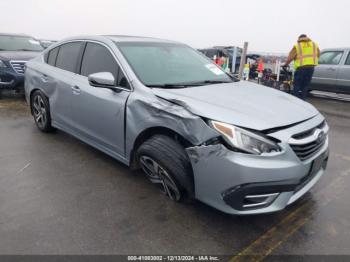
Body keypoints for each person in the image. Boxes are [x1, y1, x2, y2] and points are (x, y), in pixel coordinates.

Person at [283, 34, 320, 100]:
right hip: (311, 68)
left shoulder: (298, 46)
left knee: (297, 84)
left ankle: (295, 100)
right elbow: (318, 54)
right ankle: (303, 99)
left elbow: (290, 57)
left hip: (301, 68)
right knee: (306, 85)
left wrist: (286, 64)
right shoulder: (314, 44)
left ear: (299, 39)